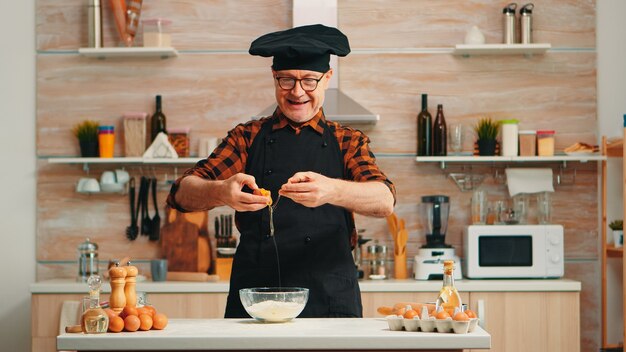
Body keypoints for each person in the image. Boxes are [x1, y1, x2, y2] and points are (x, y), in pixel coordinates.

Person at [167, 24, 395, 318]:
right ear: (274, 78)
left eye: (309, 81)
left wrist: (332, 190)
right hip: (255, 300)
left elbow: (385, 200)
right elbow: (181, 193)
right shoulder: (246, 137)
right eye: (286, 80)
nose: (297, 92)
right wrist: (221, 191)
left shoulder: (348, 141)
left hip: (331, 298)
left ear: (327, 79)